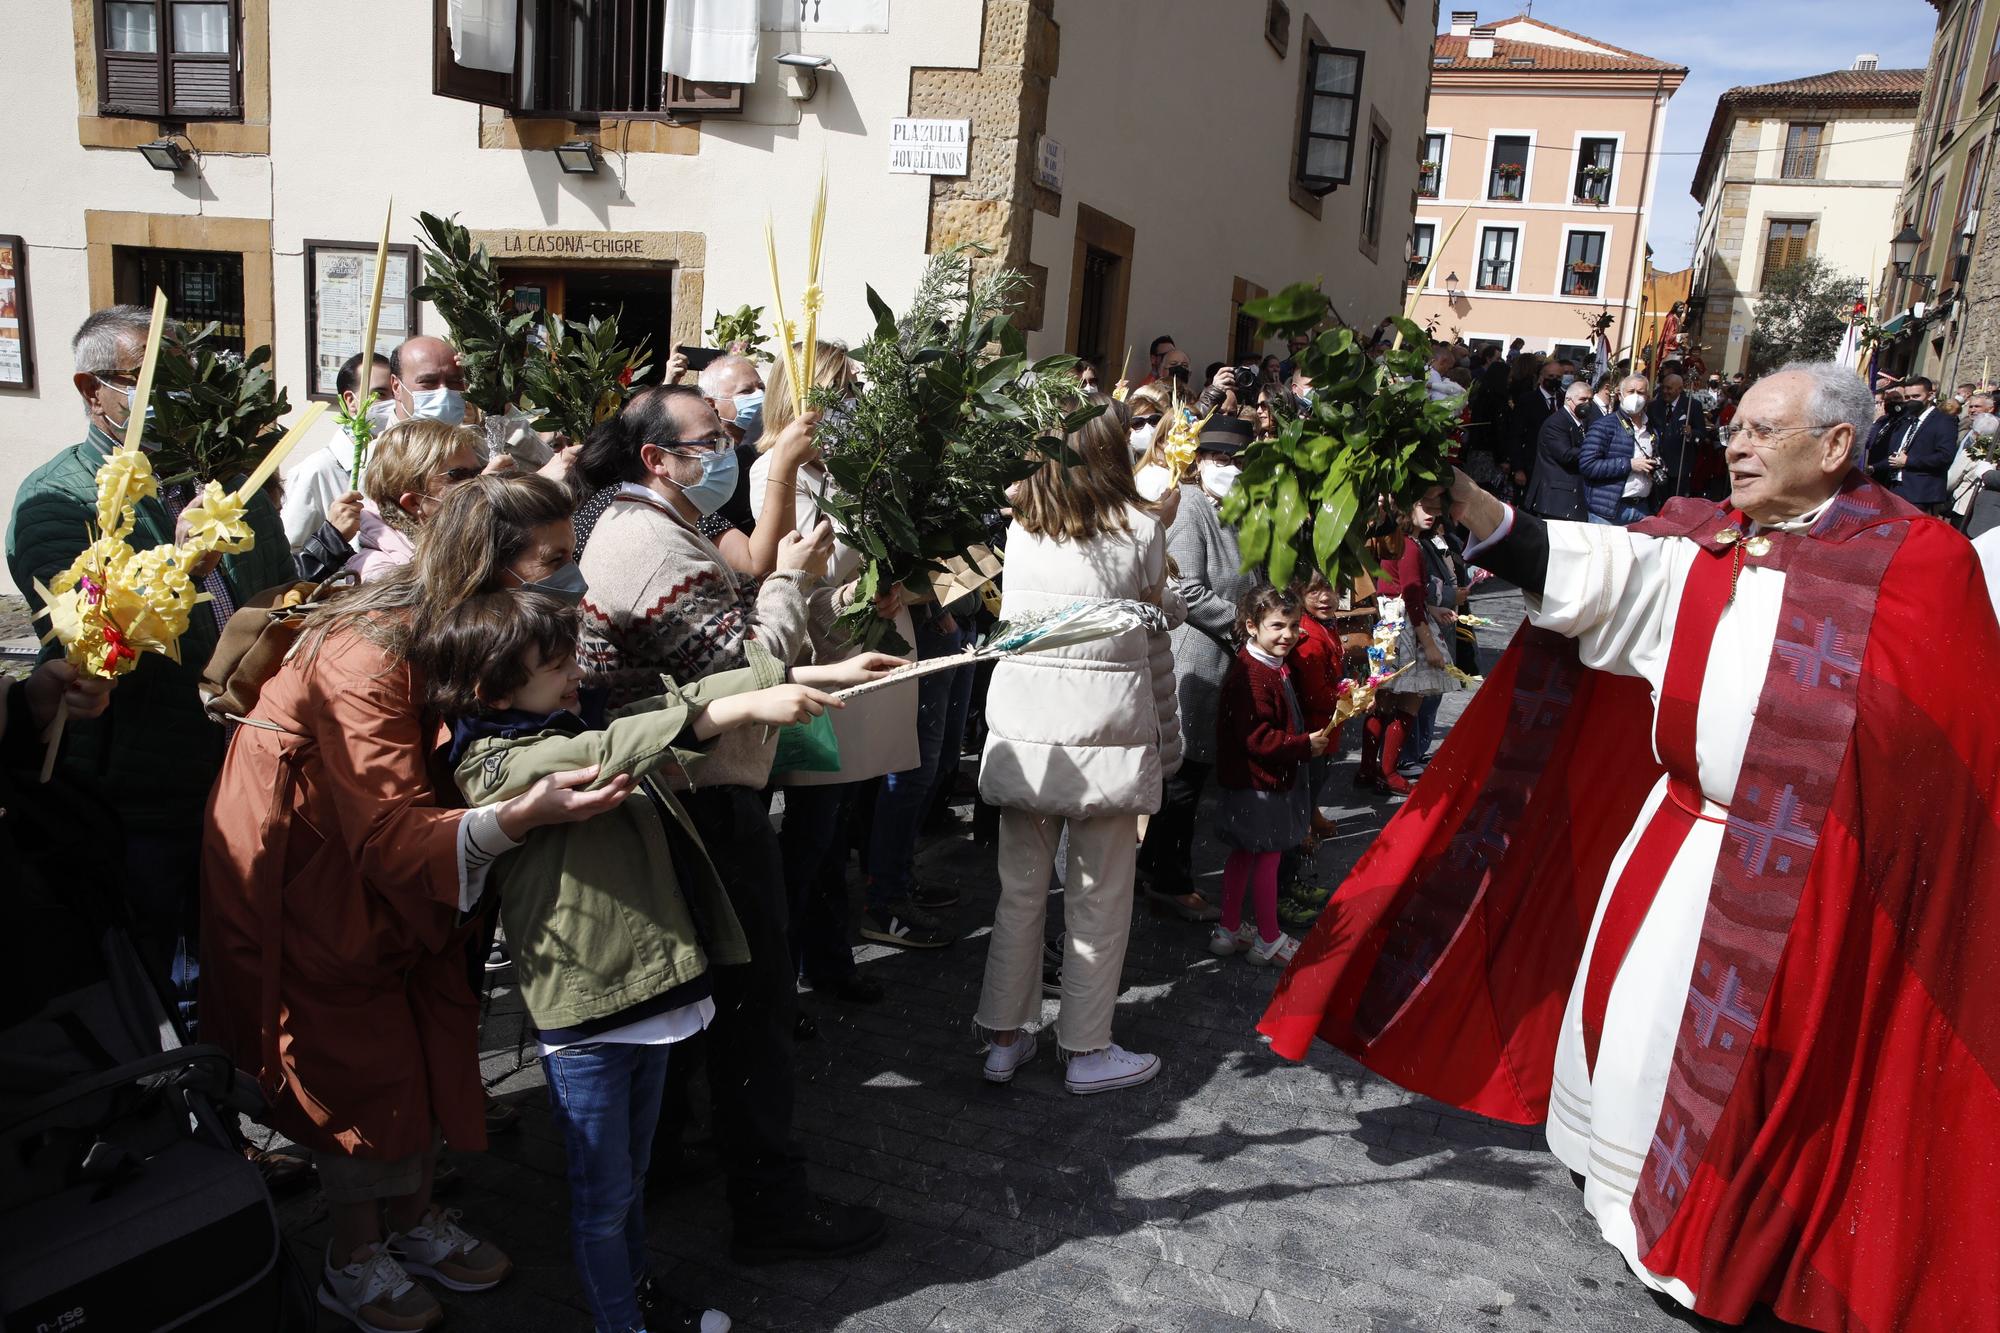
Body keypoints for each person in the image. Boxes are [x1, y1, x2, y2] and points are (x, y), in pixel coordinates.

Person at [1262, 360, 2000, 1332]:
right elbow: (1596, 569)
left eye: (1759, 431)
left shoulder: (1919, 566)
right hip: (1680, 846)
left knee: (1753, 1090)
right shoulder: (1710, 543)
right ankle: (1637, 1214)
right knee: (1640, 1045)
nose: (1732, 444)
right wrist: (1465, 502)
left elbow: (1948, 770)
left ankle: (1719, 1244)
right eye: (1730, 426)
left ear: (1831, 447)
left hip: (1808, 891)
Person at [202, 475, 599, 1333]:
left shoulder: (472, 623)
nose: (572, 577)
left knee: (436, 1011)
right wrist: (517, 816)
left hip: (399, 833)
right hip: (310, 853)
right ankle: (353, 1254)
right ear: (489, 565)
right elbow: (384, 827)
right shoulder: (371, 649)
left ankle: (414, 1221)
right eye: (555, 560)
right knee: (358, 1038)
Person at [427, 590, 843, 1333]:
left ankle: (636, 1301)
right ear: (491, 686)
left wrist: (805, 677)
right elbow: (604, 752)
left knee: (631, 1180)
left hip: (649, 994)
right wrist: (742, 709)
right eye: (552, 666)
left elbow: (677, 697)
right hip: (587, 1010)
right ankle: (620, 1321)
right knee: (603, 1194)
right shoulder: (493, 764)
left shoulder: (564, 713)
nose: (571, 674)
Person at [571, 383, 891, 1264]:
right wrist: (792, 577)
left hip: (693, 787)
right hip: (696, 794)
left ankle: (670, 1153)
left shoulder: (661, 524)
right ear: (655, 458)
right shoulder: (643, 540)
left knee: (700, 994)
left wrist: (815, 631)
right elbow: (742, 666)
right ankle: (769, 1203)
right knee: (753, 1000)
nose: (732, 448)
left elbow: (736, 637)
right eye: (714, 437)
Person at [8, 303, 292, 1010]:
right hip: (138, 786)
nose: (175, 392)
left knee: (245, 964)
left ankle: (230, 1089)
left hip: (247, 768)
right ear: (90, 388)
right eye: (151, 376)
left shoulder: (229, 481)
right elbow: (84, 639)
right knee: (155, 978)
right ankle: (170, 1106)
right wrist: (182, 561)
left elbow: (282, 593)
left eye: (187, 375)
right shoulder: (58, 497)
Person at [974, 396, 1182, 1094]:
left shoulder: (1022, 529)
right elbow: (1161, 613)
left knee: (1019, 893)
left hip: (1028, 737)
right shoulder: (1140, 531)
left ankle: (1004, 1038)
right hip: (1107, 738)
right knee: (1099, 897)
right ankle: (1087, 1047)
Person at [748, 342, 929, 972]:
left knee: (841, 823)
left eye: (855, 389)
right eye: (841, 390)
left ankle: (828, 954)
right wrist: (861, 593)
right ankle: (793, 965)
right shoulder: (777, 472)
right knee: (811, 829)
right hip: (823, 658)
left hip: (867, 653)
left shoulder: (848, 465)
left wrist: (903, 581)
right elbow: (788, 574)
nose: (853, 403)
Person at [1134, 414, 1258, 922]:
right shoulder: (1191, 511)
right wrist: (1243, 624)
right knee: (1183, 775)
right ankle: (1168, 879)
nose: (1232, 469)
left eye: (1239, 460)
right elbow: (1185, 587)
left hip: (1228, 657)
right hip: (1198, 657)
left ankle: (1156, 867)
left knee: (1194, 772)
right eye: (1223, 459)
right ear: (1201, 462)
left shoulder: (1239, 510)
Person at [1205, 584, 1326, 968]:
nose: (1287, 635)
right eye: (1277, 625)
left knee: (1243, 852)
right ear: (1251, 626)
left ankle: (1228, 929)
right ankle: (1268, 939)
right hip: (1259, 784)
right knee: (1268, 857)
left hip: (1251, 782)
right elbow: (1258, 738)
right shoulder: (1254, 675)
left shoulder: (1265, 665)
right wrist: (1304, 745)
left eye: (1293, 625)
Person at [1355, 491, 1454, 795]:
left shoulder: (1393, 540)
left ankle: (1369, 769)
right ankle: (1388, 770)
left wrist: (1431, 608)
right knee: (1410, 700)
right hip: (1406, 628)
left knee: (1383, 701)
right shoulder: (1407, 546)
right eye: (1424, 505)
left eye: (1435, 509)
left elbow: (1398, 589)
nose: (1431, 513)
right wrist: (1432, 646)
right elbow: (1410, 597)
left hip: (1389, 623)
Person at [347, 419, 487, 580]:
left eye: (478, 473)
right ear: (413, 502)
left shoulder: (483, 538)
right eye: (459, 476)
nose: (478, 484)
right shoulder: (377, 572)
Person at [283, 349, 389, 550]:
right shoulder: (314, 471)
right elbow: (290, 555)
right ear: (351, 401)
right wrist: (333, 536)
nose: (390, 404)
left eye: (395, 393)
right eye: (380, 394)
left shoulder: (393, 462)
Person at [1867, 376, 1957, 513]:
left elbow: (1945, 456)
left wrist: (1909, 461)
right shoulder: (1907, 419)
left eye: (1916, 396)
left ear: (1930, 395)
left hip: (1920, 492)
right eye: (1907, 398)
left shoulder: (1943, 421)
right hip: (1895, 487)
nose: (1911, 401)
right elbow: (1896, 455)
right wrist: (1873, 468)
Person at [1579, 374, 1658, 525]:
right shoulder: (1604, 426)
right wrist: (1629, 464)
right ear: (1620, 395)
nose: (1636, 396)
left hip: (1642, 509)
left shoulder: (1652, 429)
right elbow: (1587, 465)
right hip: (1607, 511)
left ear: (1647, 397)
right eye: (1631, 391)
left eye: (1640, 392)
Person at [1526, 380, 1591, 521]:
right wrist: (1594, 450)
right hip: (1557, 500)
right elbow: (1566, 454)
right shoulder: (1556, 422)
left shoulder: (1582, 421)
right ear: (1568, 399)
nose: (1587, 403)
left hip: (1572, 498)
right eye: (1582, 399)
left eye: (1589, 399)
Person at [1648, 373, 1708, 502]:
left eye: (1669, 388)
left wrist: (1692, 433)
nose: (1665, 391)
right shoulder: (1654, 406)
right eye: (1663, 387)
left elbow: (1702, 434)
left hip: (1679, 466)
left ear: (1680, 389)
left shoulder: (1692, 406)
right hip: (1658, 465)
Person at [388, 335, 469, 426]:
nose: (444, 391)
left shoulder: (476, 438)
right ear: (396, 387)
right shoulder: (379, 440)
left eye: (454, 381)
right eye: (429, 381)